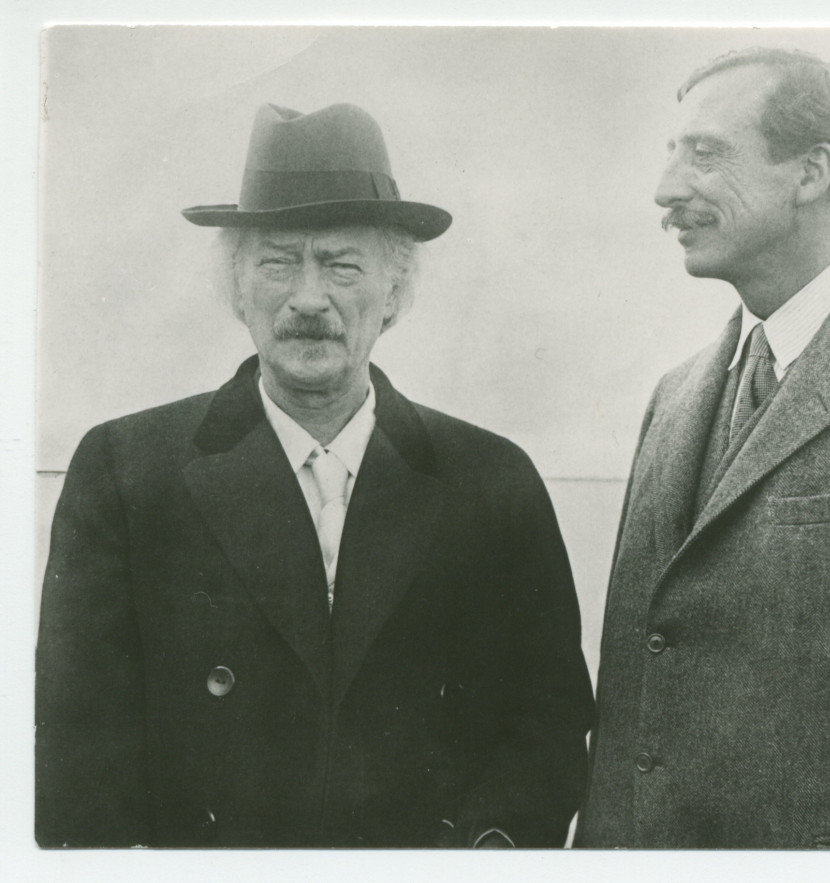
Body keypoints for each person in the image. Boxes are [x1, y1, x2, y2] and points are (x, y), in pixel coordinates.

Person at [36, 102, 594, 848]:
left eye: (340, 264)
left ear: (393, 292)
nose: (307, 298)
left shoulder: (492, 481)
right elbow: (77, 739)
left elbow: (546, 722)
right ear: (237, 286)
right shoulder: (126, 470)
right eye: (278, 261)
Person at [575, 48, 830, 849]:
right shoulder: (674, 398)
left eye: (706, 153)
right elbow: (632, 706)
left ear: (811, 172)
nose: (666, 189)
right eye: (672, 152)